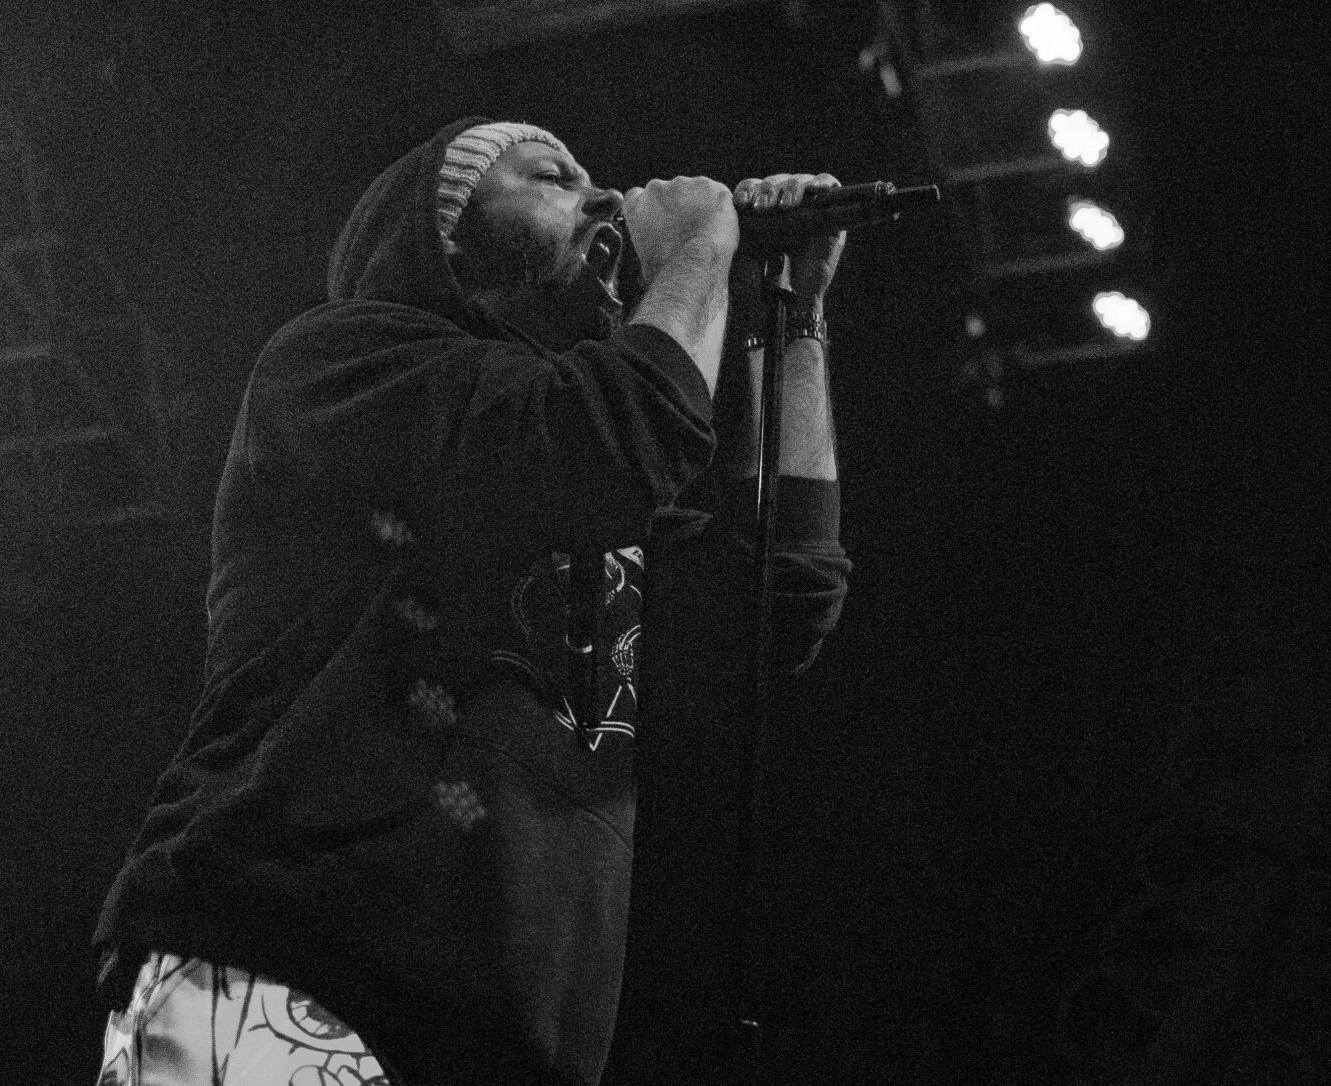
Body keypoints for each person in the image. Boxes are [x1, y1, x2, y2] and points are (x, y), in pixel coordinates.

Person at [92, 117, 851, 1086]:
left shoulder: (592, 467)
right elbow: (615, 436)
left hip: (495, 1047)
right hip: (278, 962)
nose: (600, 194)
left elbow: (784, 596)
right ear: (442, 230)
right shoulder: (342, 363)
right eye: (548, 174)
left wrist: (789, 322)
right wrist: (701, 244)